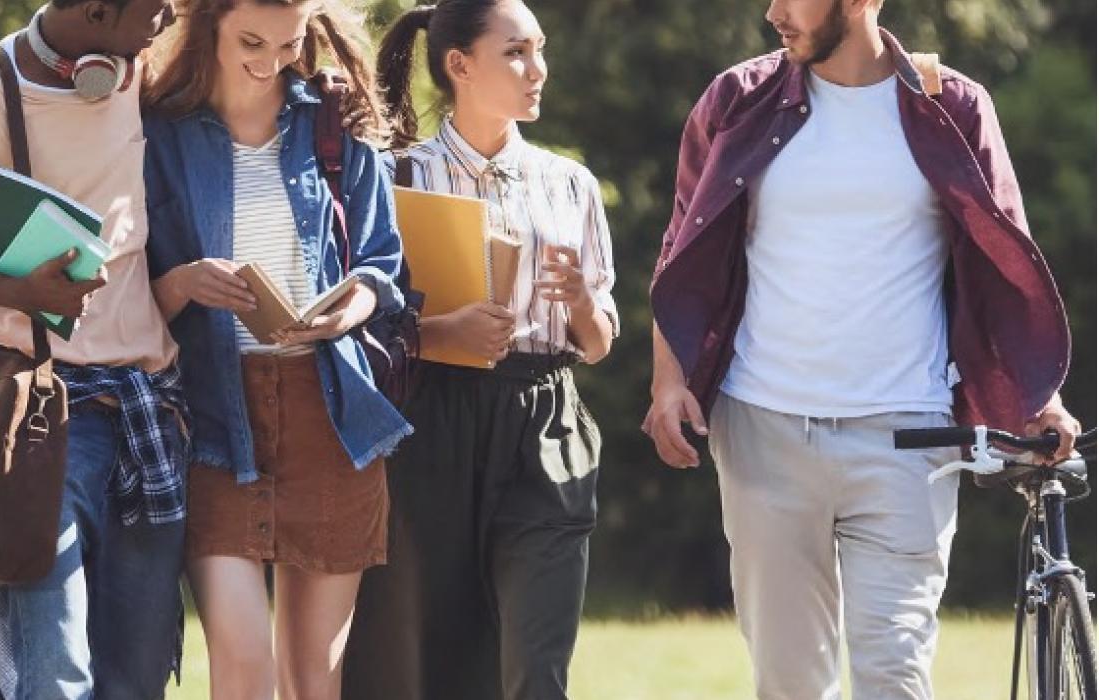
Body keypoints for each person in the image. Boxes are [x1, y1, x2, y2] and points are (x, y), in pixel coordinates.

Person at [642, 1, 1081, 698]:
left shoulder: (953, 106)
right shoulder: (737, 101)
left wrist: (1040, 397)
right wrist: (669, 383)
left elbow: (1006, 260)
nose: (774, 12)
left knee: (895, 673)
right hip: (764, 429)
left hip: (908, 436)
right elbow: (682, 249)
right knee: (790, 681)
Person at [0, 1, 188, 697]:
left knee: (136, 682)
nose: (171, 17)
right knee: (54, 678)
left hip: (146, 417)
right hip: (37, 423)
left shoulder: (148, 68)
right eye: (156, 6)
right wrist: (17, 292)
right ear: (94, 8)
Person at [341, 2, 619, 698]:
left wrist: (583, 302)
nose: (538, 70)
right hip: (430, 417)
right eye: (517, 53)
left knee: (537, 659)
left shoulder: (571, 184)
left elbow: (602, 340)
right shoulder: (395, 178)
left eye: (540, 50)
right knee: (431, 658)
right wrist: (439, 334)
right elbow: (356, 324)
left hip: (548, 419)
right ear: (460, 65)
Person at [141, 1, 408, 697]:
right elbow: (121, 290)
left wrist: (357, 301)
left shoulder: (334, 126)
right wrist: (181, 282)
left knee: (314, 684)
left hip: (331, 420)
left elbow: (384, 264)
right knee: (243, 666)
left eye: (289, 44)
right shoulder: (156, 135)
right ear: (209, 26)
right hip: (212, 426)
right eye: (250, 41)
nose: (269, 61)